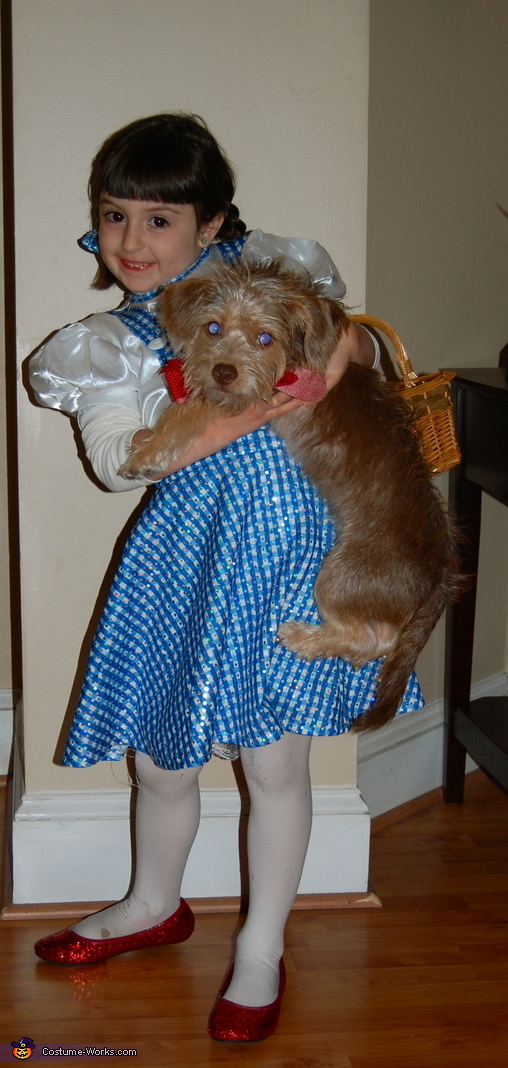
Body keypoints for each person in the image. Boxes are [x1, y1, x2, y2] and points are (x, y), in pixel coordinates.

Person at [29, 113, 423, 1042]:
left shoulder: (279, 286)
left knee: (273, 762)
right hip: (183, 558)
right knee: (161, 758)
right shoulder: (106, 344)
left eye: (159, 218)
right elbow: (125, 462)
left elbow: (352, 352)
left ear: (211, 225)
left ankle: (260, 948)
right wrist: (265, 398)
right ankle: (150, 904)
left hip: (291, 547)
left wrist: (327, 358)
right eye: (114, 214)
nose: (132, 240)